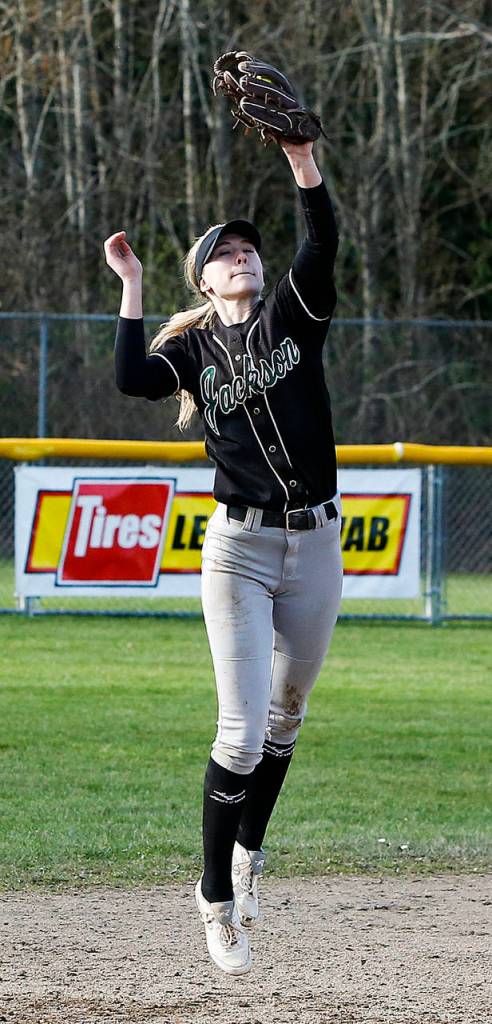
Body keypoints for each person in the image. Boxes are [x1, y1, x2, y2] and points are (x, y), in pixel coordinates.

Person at [104, 138, 343, 977]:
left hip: (316, 543)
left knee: (287, 718)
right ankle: (214, 897)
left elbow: (321, 243)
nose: (241, 258)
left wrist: (302, 160)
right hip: (238, 549)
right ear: (203, 284)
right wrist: (133, 289)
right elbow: (132, 377)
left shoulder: (291, 316)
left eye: (247, 249)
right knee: (240, 734)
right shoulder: (194, 355)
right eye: (224, 255)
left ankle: (249, 853)